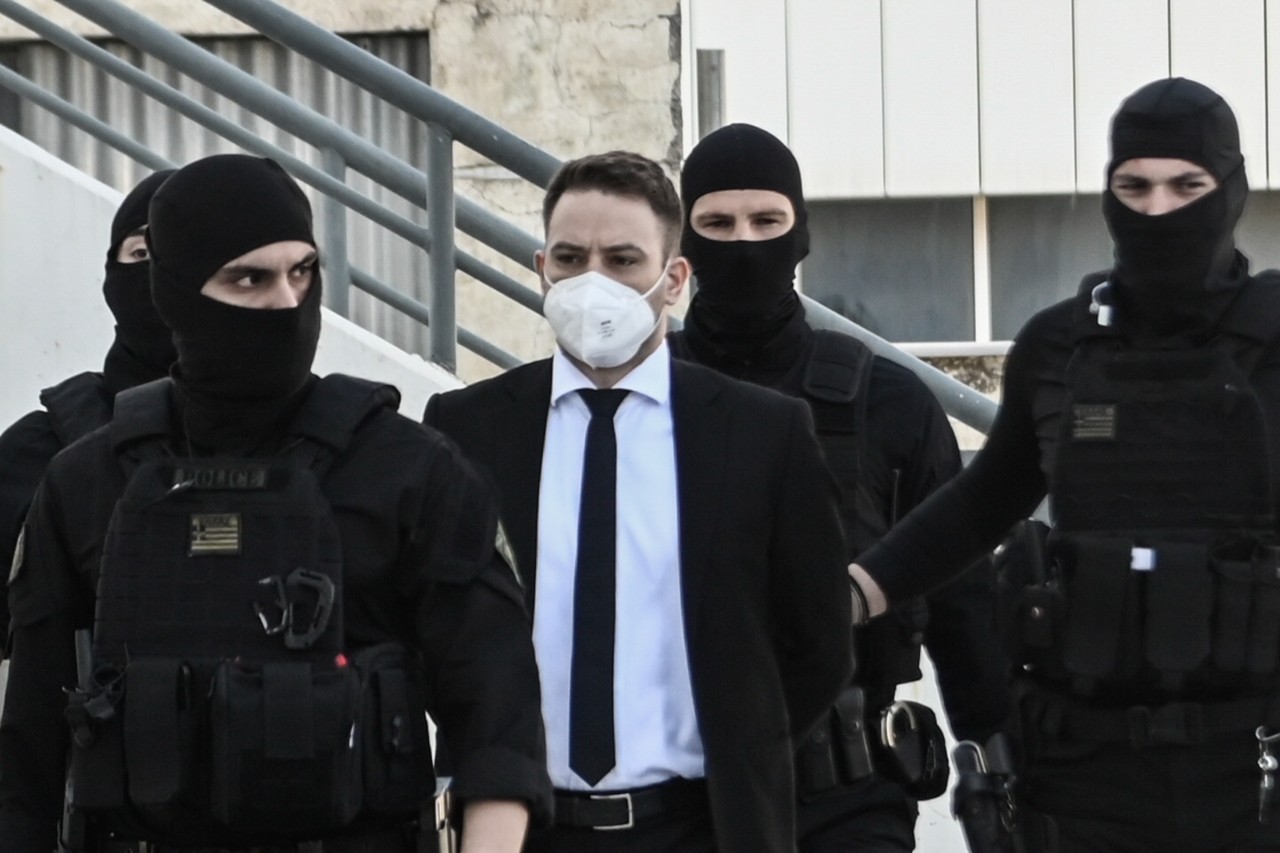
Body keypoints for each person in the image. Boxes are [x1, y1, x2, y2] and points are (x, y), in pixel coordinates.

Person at [0, 154, 551, 853]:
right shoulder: (86, 480)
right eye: (249, 279)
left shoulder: (411, 471)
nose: (287, 303)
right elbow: (27, 761)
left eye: (302, 271)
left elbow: (498, 721)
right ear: (176, 294)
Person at [849, 78, 1280, 851]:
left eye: (1187, 186)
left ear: (1232, 189)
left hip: (1254, 765)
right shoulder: (1059, 346)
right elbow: (982, 503)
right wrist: (853, 592)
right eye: (1134, 187)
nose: (1158, 209)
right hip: (1084, 768)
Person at [424, 150, 852, 852]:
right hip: (523, 828)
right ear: (541, 269)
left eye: (623, 260)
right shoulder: (468, 427)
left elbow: (821, 643)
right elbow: (439, 631)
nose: (592, 281)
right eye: (570, 258)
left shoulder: (761, 432)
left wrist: (743, 747)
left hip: (700, 828)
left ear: (674, 278)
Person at [669, 123, 1009, 851]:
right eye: (717, 224)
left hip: (848, 797)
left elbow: (962, 599)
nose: (744, 244)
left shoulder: (888, 402)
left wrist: (999, 761)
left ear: (801, 233)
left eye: (766, 221)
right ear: (684, 243)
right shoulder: (635, 395)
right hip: (672, 795)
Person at [0, 169, 177, 642]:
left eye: (182, 253)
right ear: (111, 275)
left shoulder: (309, 441)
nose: (158, 273)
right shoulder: (35, 451)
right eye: (140, 254)